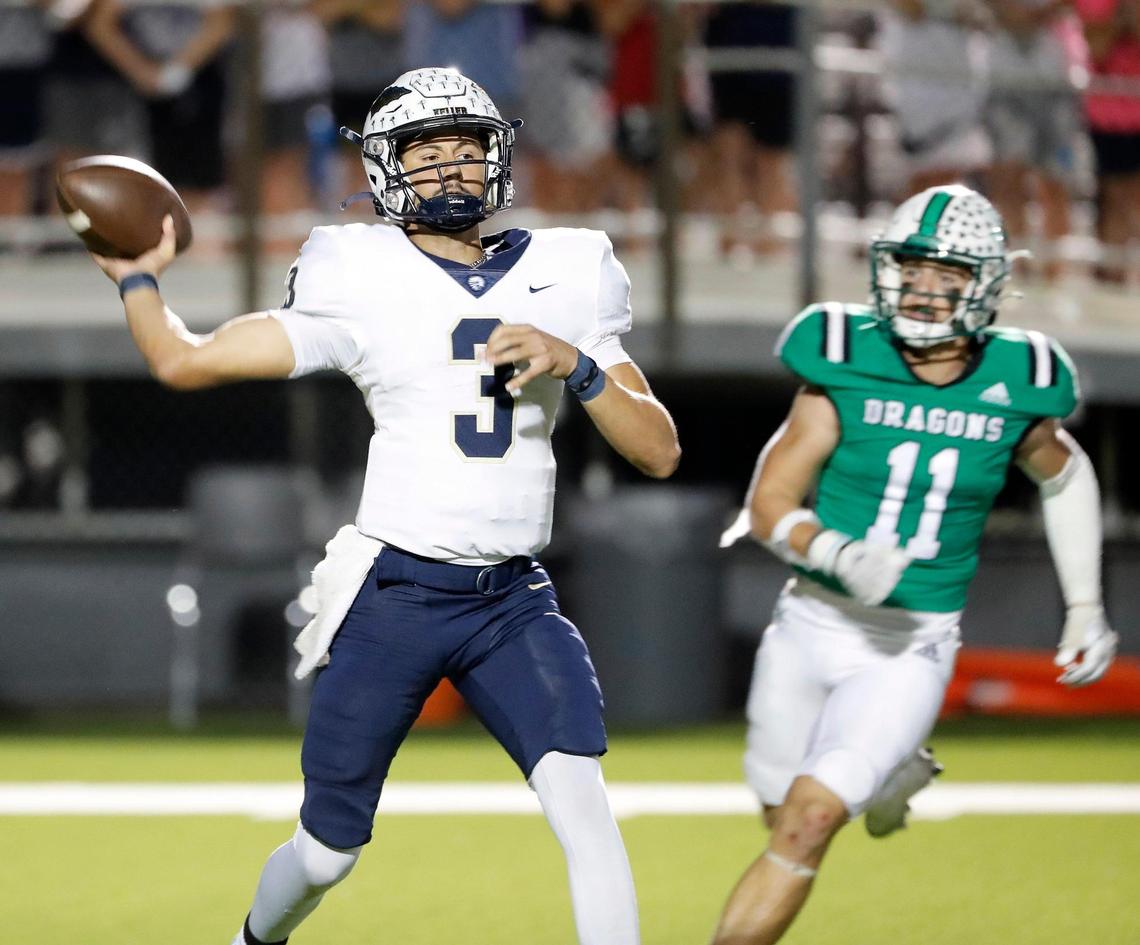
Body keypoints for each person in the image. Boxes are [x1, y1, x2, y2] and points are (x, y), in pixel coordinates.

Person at [87, 67, 680, 945]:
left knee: (585, 807)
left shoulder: (572, 270)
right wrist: (139, 280)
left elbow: (659, 449)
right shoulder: (355, 270)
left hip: (512, 598)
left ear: (498, 158)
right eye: (425, 152)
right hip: (394, 595)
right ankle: (256, 937)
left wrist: (578, 362)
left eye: (465, 148)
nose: (448, 168)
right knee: (327, 852)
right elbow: (185, 362)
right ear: (383, 169)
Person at [711, 184, 1119, 945]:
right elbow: (770, 499)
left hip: (909, 643)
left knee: (807, 822)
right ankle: (890, 775)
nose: (925, 289)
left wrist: (1087, 604)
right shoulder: (842, 353)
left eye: (949, 273)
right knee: (778, 809)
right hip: (808, 620)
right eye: (912, 267)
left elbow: (1063, 473)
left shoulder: (1020, 377)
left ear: (986, 284)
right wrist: (833, 550)